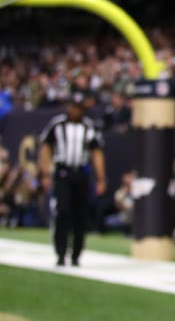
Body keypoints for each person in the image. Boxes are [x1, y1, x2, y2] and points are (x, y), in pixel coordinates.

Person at [38, 92, 105, 266]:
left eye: (79, 108)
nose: (75, 111)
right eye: (73, 107)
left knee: (80, 215)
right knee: (63, 212)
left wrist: (101, 178)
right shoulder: (57, 124)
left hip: (81, 173)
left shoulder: (89, 127)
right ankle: (60, 253)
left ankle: (76, 254)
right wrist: (45, 173)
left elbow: (97, 153)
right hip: (62, 173)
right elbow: (46, 148)